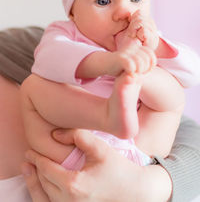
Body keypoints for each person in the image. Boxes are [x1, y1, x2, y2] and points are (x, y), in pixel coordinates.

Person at [21, 0, 200, 171]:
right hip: (77, 150)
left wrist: (149, 55)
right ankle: (105, 114)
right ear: (73, 10)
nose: (124, 13)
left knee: (174, 94)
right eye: (104, 1)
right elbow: (48, 60)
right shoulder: (65, 34)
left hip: (140, 150)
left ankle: (131, 84)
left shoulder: (146, 37)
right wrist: (109, 62)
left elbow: (193, 74)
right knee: (33, 86)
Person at [0, 26, 199, 202]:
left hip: (136, 161)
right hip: (134, 154)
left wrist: (147, 187)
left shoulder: (19, 46)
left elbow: (189, 131)